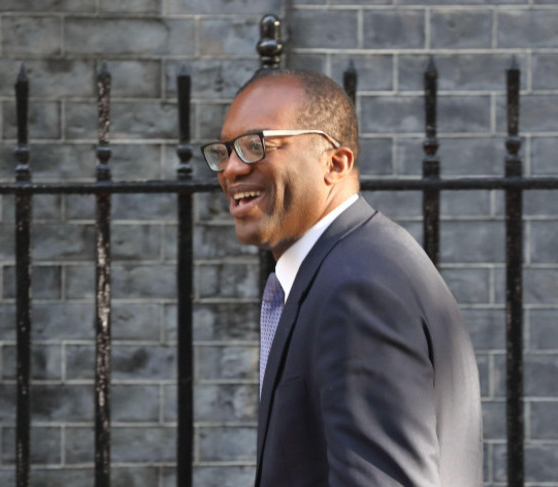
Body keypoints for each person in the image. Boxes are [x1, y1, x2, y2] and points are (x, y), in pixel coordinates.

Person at [200, 69, 483, 486]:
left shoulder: (357, 289)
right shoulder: (352, 265)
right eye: (224, 151)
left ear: (335, 162)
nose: (231, 169)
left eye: (255, 145)